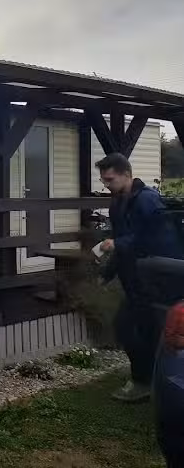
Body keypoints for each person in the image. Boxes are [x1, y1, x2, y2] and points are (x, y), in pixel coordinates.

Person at [97, 152, 180, 402]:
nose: (106, 185)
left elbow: (157, 239)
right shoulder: (117, 203)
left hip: (155, 280)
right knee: (141, 330)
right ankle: (150, 380)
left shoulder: (148, 201)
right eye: (103, 180)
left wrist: (119, 244)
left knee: (129, 328)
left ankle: (143, 382)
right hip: (133, 280)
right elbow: (122, 244)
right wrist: (107, 273)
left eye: (110, 179)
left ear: (126, 174)